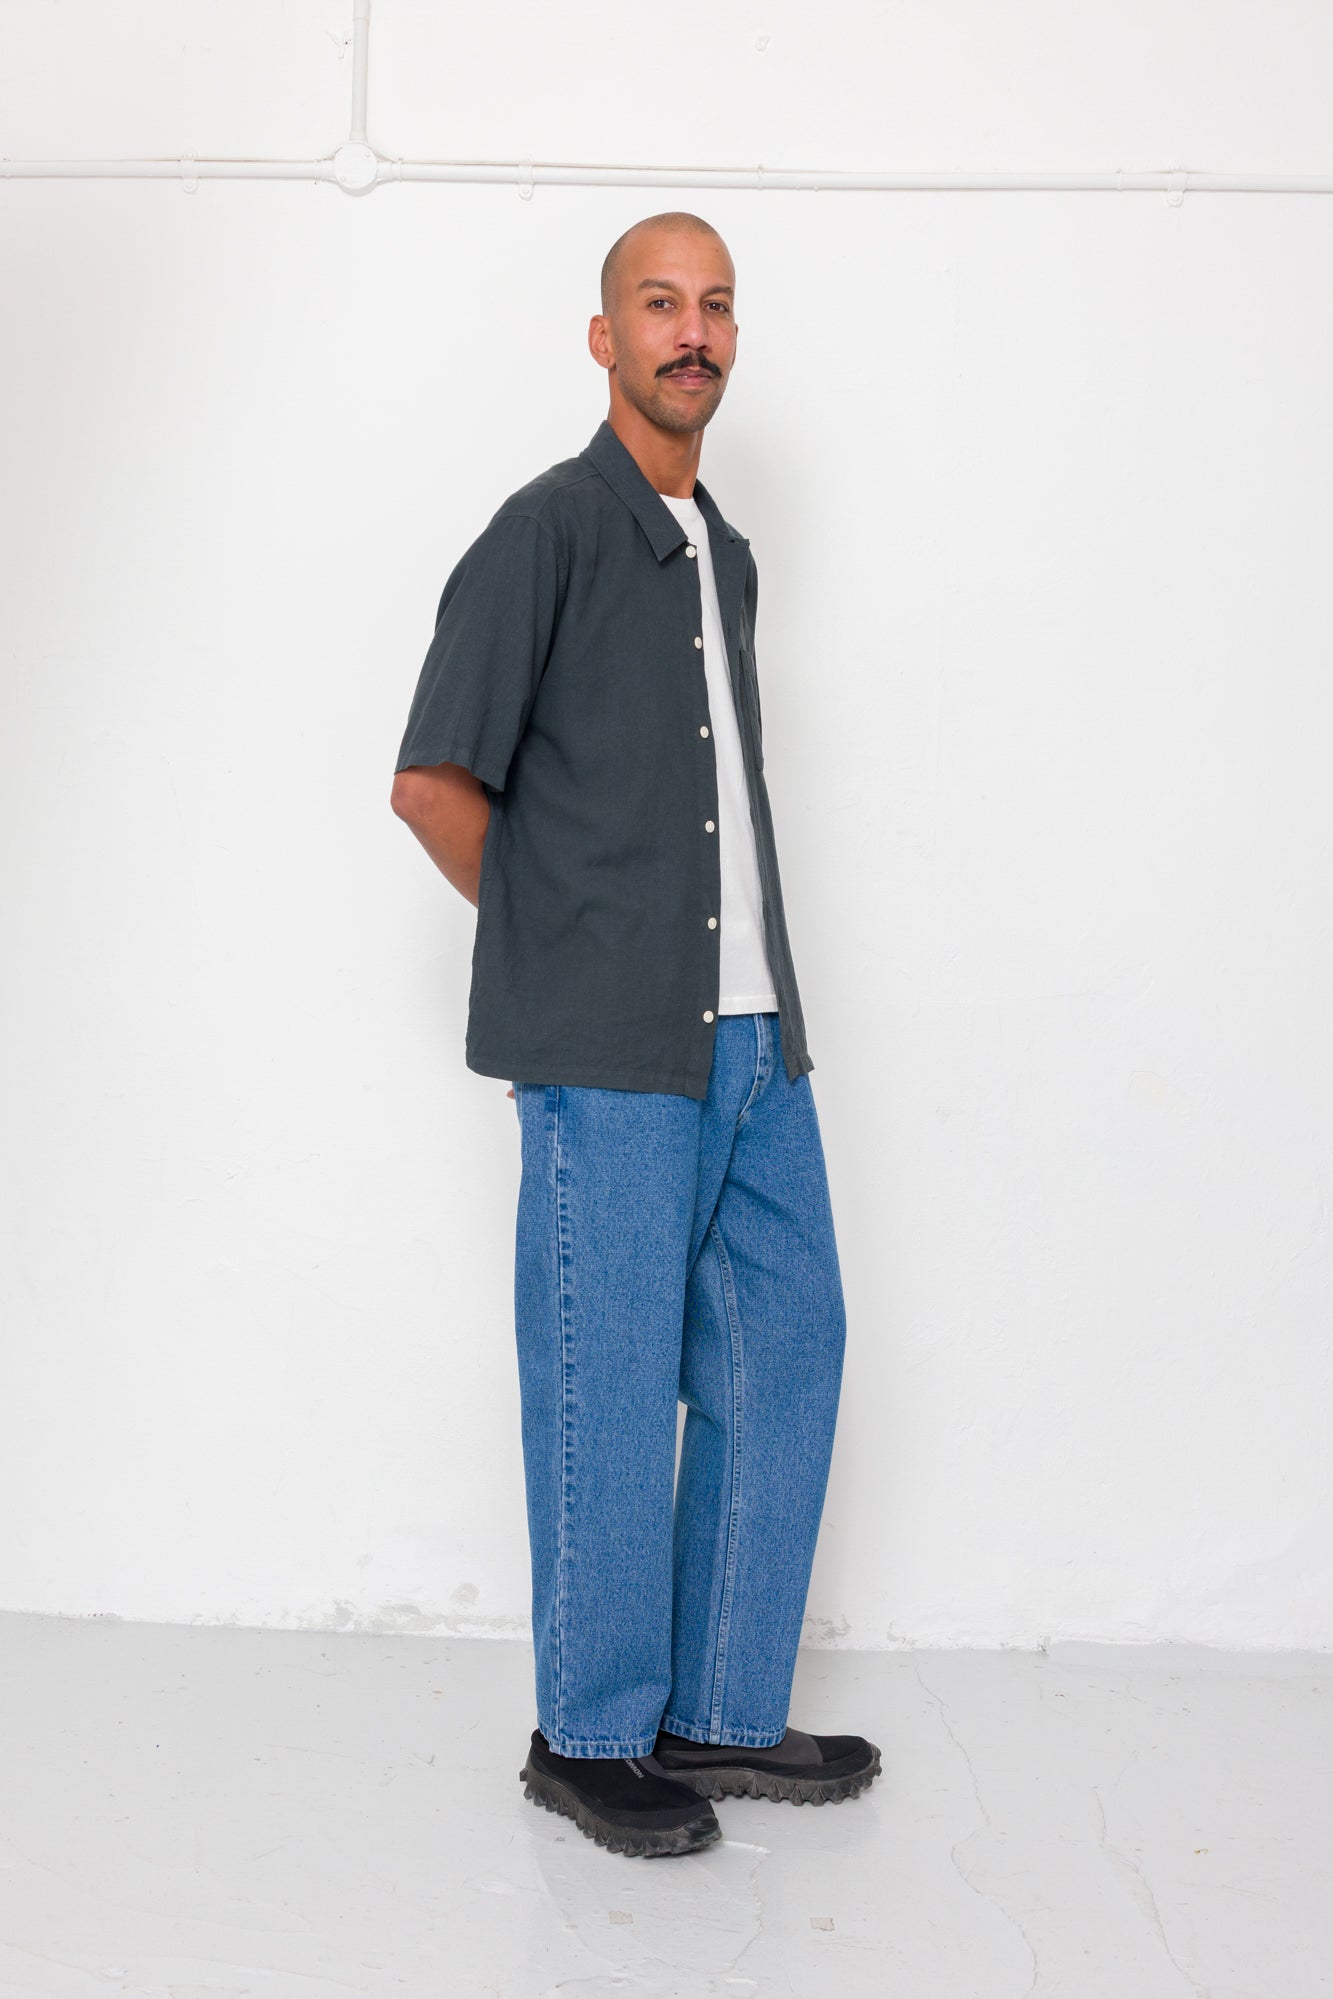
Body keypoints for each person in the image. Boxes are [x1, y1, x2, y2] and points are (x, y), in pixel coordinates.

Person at [389, 211, 879, 1859]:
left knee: (784, 1348)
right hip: (611, 1048)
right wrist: (570, 951)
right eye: (659, 305)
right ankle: (588, 1734)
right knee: (603, 1380)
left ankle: (717, 1710)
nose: (692, 333)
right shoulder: (545, 531)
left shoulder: (721, 553)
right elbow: (431, 784)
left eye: (715, 306)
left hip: (752, 1037)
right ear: (603, 338)